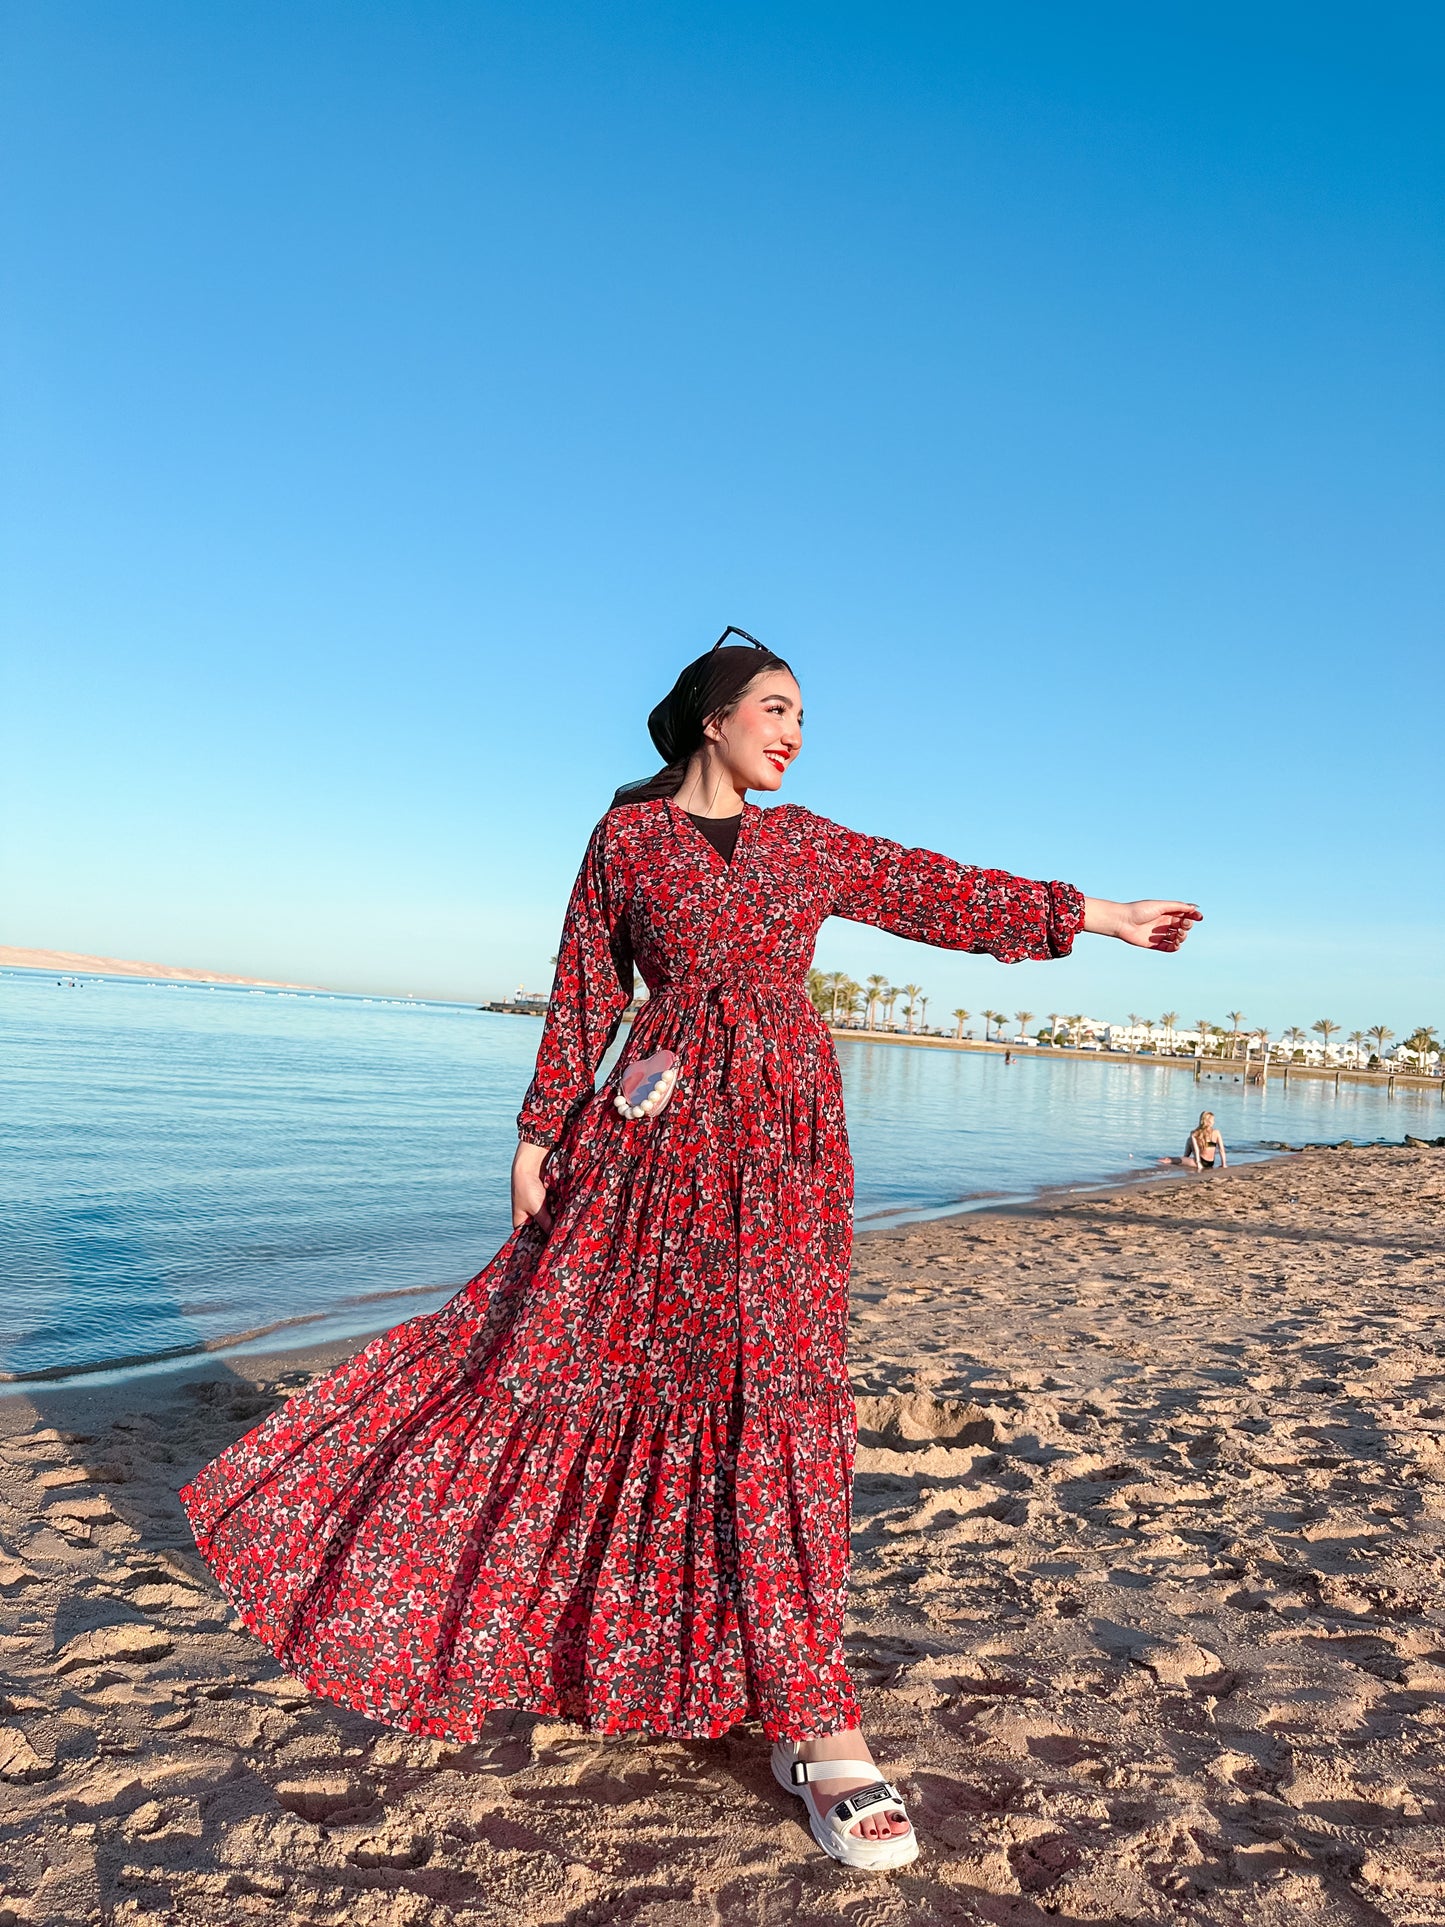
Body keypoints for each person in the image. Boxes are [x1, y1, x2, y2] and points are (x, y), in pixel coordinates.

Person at [181, 631, 1200, 1874]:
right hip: (649, 1142)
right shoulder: (626, 842)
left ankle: (815, 1716)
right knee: (573, 1366)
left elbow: (937, 889)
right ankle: (654, 1653)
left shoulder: (806, 841)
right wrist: (536, 1132)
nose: (793, 732)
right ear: (710, 718)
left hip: (780, 1143)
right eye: (775, 708)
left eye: (804, 717)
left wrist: (1094, 914)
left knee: (775, 1399)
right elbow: (581, 996)